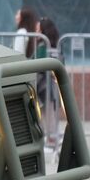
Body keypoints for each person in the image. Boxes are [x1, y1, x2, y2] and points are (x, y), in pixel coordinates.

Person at [34, 16, 65, 159]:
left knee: (47, 111)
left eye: (38, 26)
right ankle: (52, 137)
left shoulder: (42, 46)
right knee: (50, 110)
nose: (35, 28)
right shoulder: (56, 46)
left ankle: (51, 139)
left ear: (42, 29)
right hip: (50, 82)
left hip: (42, 82)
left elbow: (37, 64)